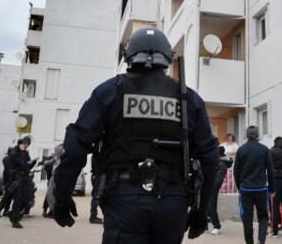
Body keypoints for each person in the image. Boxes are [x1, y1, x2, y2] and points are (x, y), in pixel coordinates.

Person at [52, 28, 219, 243]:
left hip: (123, 198)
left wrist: (62, 198)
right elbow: (210, 159)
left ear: (128, 56)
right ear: (167, 58)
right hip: (172, 200)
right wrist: (200, 210)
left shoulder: (109, 91)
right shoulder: (189, 99)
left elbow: (75, 147)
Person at [234, 126, 275, 244]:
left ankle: (249, 242)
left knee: (247, 219)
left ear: (246, 135)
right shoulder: (264, 149)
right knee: (263, 216)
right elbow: (271, 170)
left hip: (245, 189)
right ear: (258, 135)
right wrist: (272, 188)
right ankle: (261, 240)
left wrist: (239, 187)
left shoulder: (241, 150)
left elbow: (236, 172)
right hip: (261, 189)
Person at [8, 136, 37, 229]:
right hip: (17, 177)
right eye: (25, 144)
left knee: (27, 198)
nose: (26, 146)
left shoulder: (25, 153)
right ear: (21, 143)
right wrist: (25, 163)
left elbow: (28, 166)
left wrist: (33, 162)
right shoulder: (14, 151)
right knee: (17, 199)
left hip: (25, 177)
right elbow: (16, 161)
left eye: (28, 144)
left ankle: (12, 214)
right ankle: (15, 220)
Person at [207, 146, 233, 235]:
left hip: (212, 189)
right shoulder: (215, 161)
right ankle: (205, 225)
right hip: (207, 187)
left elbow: (219, 179)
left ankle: (216, 226)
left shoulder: (221, 164)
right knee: (205, 206)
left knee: (211, 206)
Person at [40, 149, 58, 218]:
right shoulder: (55, 158)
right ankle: (49, 211)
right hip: (52, 179)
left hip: (53, 179)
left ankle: (50, 211)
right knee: (51, 195)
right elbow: (47, 166)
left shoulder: (56, 157)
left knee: (50, 195)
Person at [0, 147, 13, 218]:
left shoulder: (12, 159)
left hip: (13, 180)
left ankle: (6, 211)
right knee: (6, 197)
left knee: (10, 197)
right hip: (8, 180)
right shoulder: (7, 159)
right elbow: (8, 169)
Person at [89, 152, 103, 224]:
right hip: (98, 177)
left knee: (97, 196)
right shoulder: (98, 155)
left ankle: (93, 216)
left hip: (96, 176)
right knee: (96, 196)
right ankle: (93, 216)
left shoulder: (95, 155)